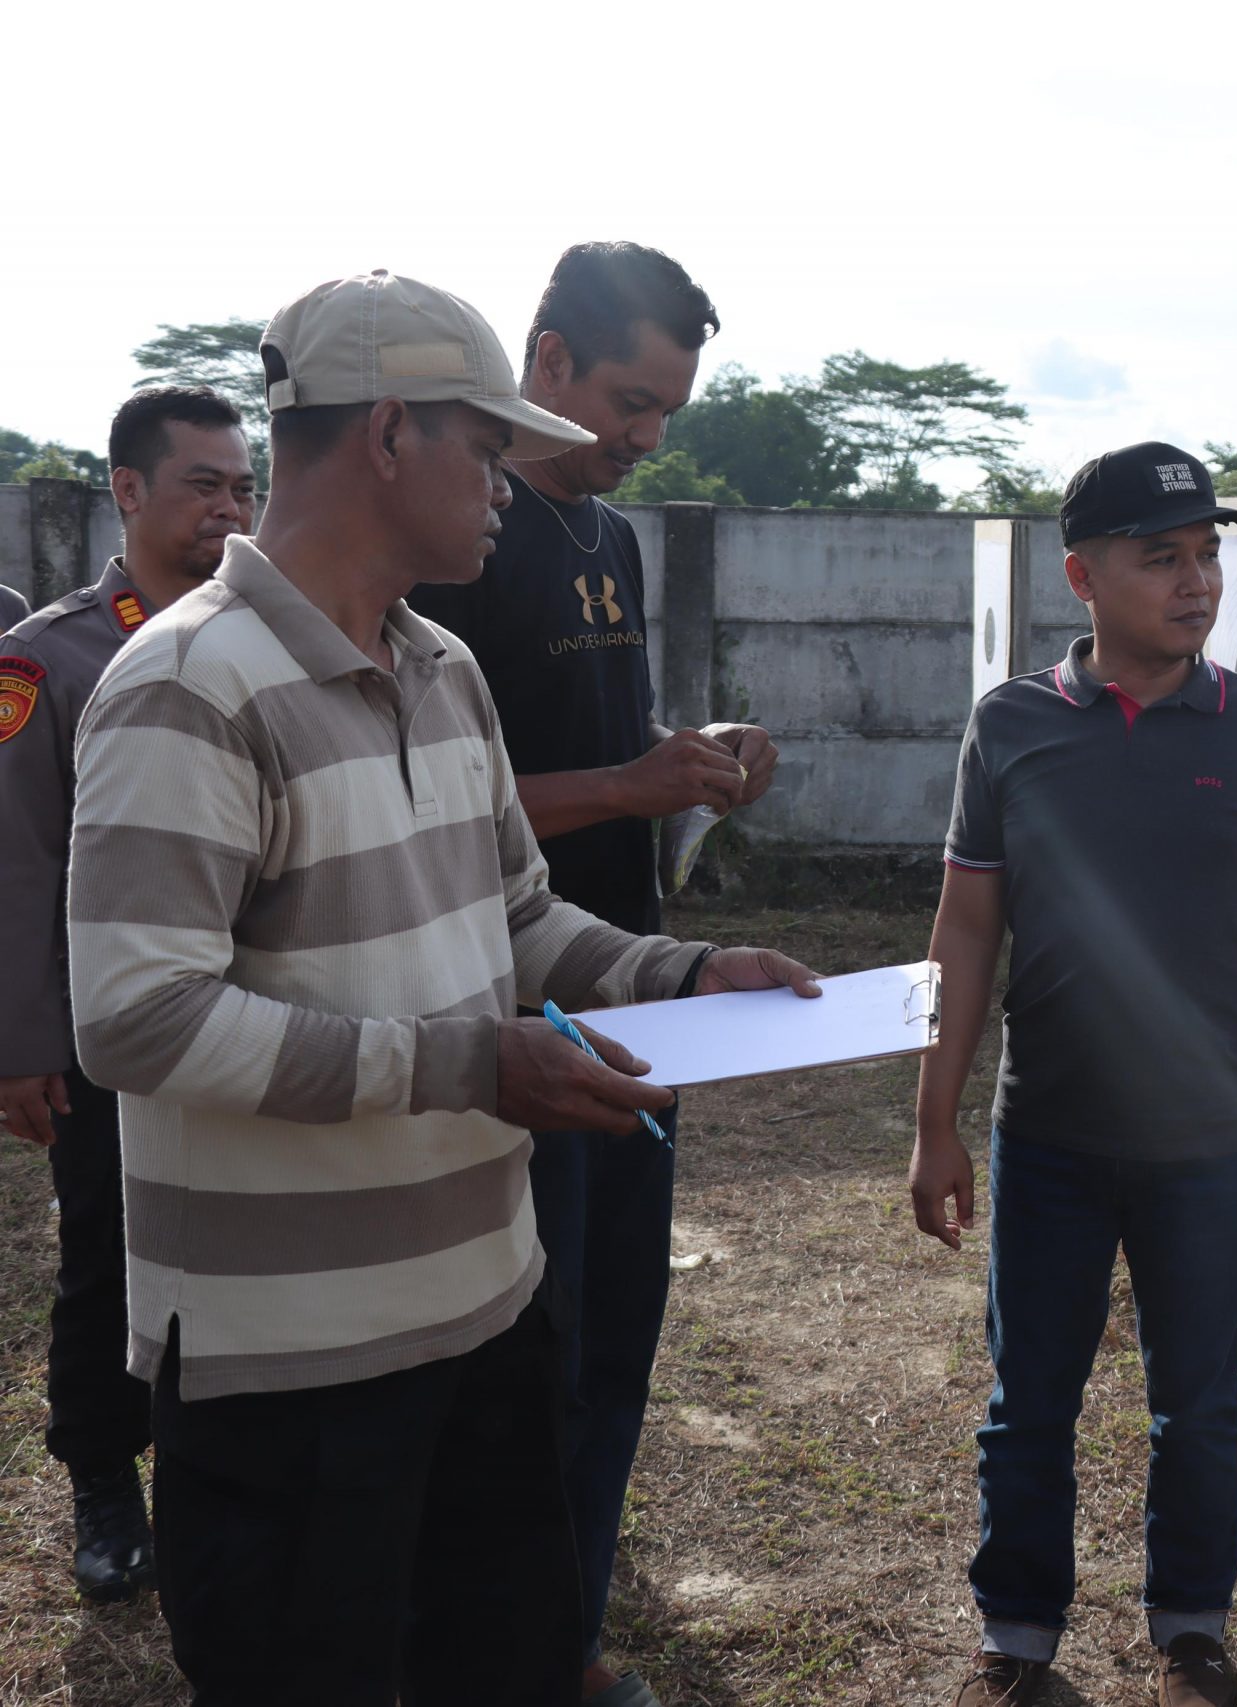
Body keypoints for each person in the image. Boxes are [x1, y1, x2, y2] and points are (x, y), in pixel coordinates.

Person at [65, 269, 819, 1707]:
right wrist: (471, 1064)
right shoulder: (185, 688)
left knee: (503, 1668)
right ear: (392, 433)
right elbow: (137, 1015)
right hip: (289, 1361)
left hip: (482, 1306)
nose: (508, 484)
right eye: (486, 447)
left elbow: (520, 915)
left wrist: (687, 973)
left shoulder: (444, 666)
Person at [910, 443, 1237, 1707]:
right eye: (1164, 557)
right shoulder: (1012, 724)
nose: (1197, 580)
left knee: (1199, 1406)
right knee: (1026, 1401)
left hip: (1208, 1147)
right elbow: (965, 931)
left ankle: (1190, 1635)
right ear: (1082, 574)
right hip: (1047, 1135)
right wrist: (934, 1121)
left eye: (1209, 553)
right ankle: (1018, 1644)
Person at [405, 240, 774, 1707]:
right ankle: (499, 1641)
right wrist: (627, 785)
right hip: (514, 999)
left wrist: (689, 761)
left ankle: (565, 1629)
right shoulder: (460, 554)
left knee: (618, 1332)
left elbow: (600, 752)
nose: (644, 436)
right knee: (527, 1354)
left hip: (641, 989)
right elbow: (456, 808)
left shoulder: (610, 547)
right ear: (544, 362)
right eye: (630, 399)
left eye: (667, 410)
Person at [0, 386, 256, 1602]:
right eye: (202, 483)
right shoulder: (48, 657)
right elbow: (16, 859)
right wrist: (21, 1043)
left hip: (247, 1021)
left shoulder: (267, 637)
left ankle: (218, 1476)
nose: (228, 505)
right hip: (113, 1039)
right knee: (107, 1257)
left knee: (238, 1257)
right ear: (129, 490)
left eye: (241, 483)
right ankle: (103, 1481)